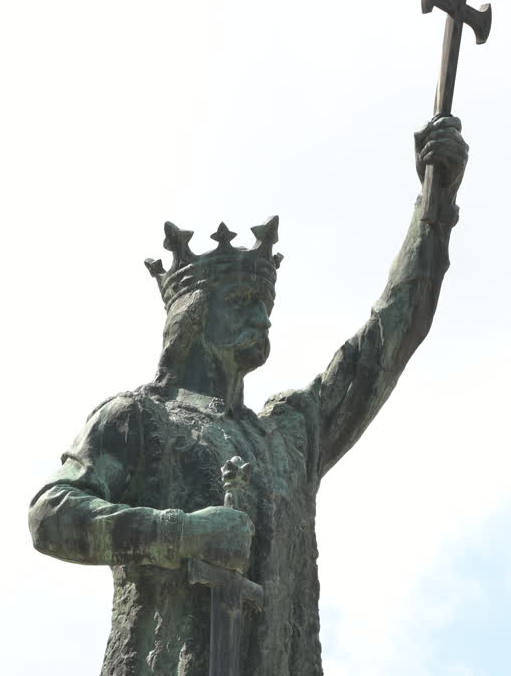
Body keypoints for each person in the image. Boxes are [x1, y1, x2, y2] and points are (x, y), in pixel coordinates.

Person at [29, 117, 469, 676]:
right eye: (241, 301)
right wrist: (180, 533)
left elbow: (385, 341)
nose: (261, 317)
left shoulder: (289, 433)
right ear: (191, 318)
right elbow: (52, 515)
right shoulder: (137, 419)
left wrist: (434, 210)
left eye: (266, 304)